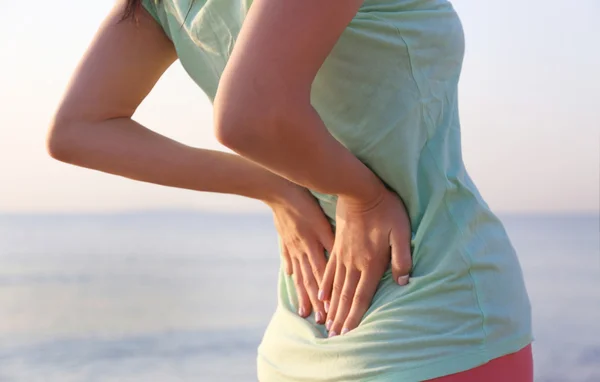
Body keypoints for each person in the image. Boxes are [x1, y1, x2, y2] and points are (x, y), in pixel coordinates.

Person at [46, 0, 534, 380]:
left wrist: (277, 187)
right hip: (439, 317)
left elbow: (79, 129)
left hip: (301, 339)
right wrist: (362, 195)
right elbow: (250, 114)